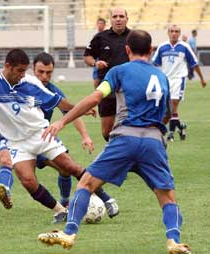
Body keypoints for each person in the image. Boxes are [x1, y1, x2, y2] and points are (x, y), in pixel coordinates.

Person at [38, 30, 191, 254]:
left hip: (125, 138)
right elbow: (167, 115)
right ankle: (174, 241)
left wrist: (62, 122)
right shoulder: (161, 77)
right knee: (167, 197)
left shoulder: (118, 71)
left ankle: (69, 232)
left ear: (127, 49)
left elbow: (95, 97)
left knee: (86, 184)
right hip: (153, 142)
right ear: (151, 51)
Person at [0, 49, 118, 223]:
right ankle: (61, 210)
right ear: (7, 66)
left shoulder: (30, 83)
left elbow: (58, 102)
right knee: (27, 181)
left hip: (40, 134)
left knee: (70, 167)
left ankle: (106, 198)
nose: (23, 75)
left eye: (25, 70)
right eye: (19, 70)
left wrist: (81, 110)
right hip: (16, 142)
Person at [152, 24, 206, 142]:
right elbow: (154, 63)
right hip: (165, 80)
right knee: (168, 108)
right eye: (172, 31)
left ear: (179, 33)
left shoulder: (184, 46)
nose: (174, 33)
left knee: (173, 104)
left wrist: (202, 78)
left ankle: (170, 133)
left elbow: (194, 63)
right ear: (168, 33)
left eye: (176, 31)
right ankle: (181, 126)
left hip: (179, 79)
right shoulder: (162, 47)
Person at [84, 7, 130, 141]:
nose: (118, 19)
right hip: (107, 87)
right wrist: (95, 63)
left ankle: (123, 155)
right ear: (110, 19)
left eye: (121, 16)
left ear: (127, 19)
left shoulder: (133, 37)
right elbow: (87, 56)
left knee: (129, 126)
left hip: (128, 88)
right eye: (115, 17)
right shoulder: (100, 37)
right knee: (106, 132)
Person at [92, 18, 107, 89]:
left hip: (105, 59)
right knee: (96, 79)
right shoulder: (95, 36)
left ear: (104, 25)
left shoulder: (107, 36)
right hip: (97, 60)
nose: (100, 25)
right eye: (99, 23)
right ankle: (96, 94)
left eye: (102, 23)